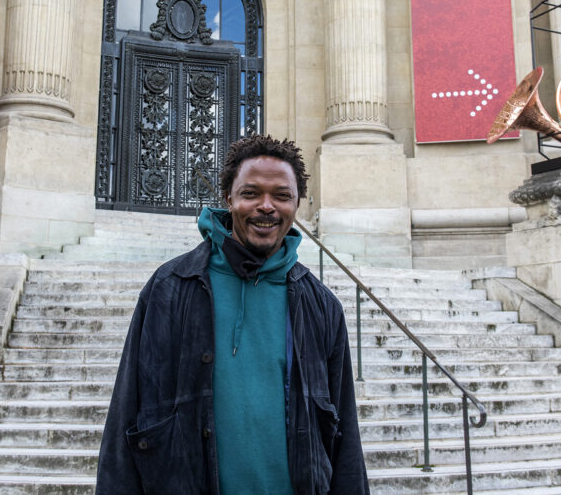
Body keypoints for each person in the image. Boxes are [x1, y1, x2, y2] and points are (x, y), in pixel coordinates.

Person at [96, 134, 369, 494]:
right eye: (251, 193)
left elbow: (343, 434)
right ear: (229, 199)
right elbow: (125, 416)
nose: (266, 206)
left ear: (297, 203)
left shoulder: (321, 305)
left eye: (282, 195)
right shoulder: (169, 288)